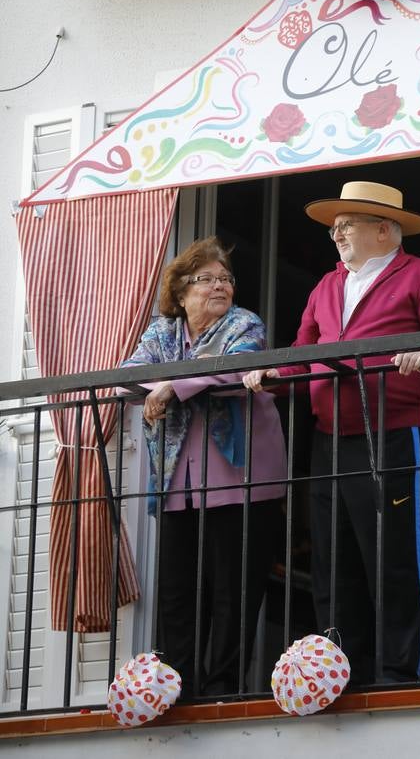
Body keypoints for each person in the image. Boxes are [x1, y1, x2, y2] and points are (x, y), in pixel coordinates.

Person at [243, 181, 420, 686]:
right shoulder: (325, 286)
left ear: (384, 229)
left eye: (347, 224)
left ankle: (401, 675)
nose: (336, 233)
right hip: (330, 437)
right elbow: (302, 353)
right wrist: (276, 378)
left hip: (395, 432)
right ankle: (339, 675)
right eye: (334, 227)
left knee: (394, 562)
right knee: (332, 563)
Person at [121, 236, 286, 699]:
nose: (220, 286)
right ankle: (177, 685)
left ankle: (224, 686)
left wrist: (173, 383)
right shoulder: (162, 333)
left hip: (243, 481)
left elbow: (239, 366)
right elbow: (127, 375)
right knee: (177, 590)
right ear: (180, 291)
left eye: (226, 278)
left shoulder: (244, 323)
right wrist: (167, 381)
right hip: (178, 483)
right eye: (207, 279)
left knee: (232, 590)